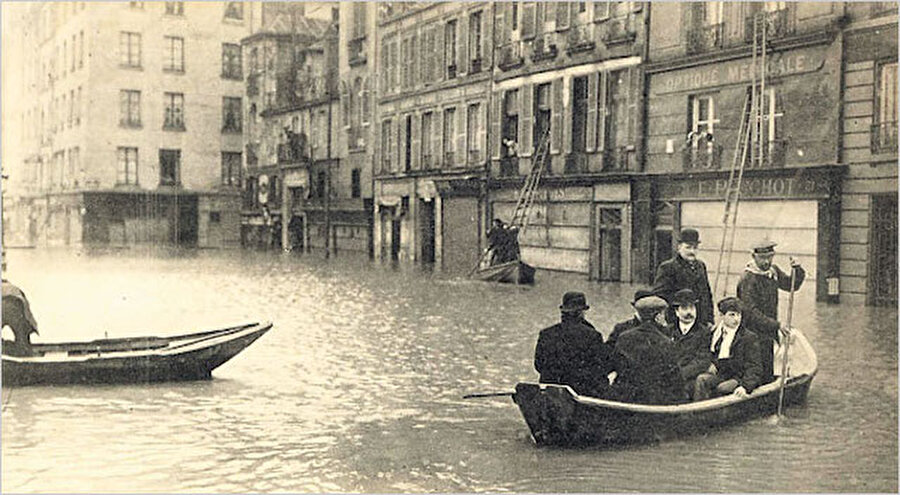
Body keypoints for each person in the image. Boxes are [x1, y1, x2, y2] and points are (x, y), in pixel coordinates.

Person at [737, 239, 805, 385]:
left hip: (768, 331)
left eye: (769, 257)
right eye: (762, 258)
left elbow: (791, 285)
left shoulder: (773, 271)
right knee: (755, 369)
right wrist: (777, 325)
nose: (766, 261)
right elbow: (750, 312)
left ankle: (766, 395)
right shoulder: (748, 279)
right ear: (753, 257)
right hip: (751, 333)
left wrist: (797, 269)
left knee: (767, 368)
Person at [534, 292, 613, 398]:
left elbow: (538, 365)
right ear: (581, 312)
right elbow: (598, 370)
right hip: (580, 393)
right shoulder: (592, 335)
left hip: (550, 392)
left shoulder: (546, 334)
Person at [611, 296, 686, 405]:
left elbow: (616, 365)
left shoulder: (623, 337)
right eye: (663, 314)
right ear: (658, 317)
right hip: (655, 399)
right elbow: (675, 379)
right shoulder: (666, 342)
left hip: (626, 397)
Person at [693, 297, 763, 401]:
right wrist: (712, 364)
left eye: (739, 315)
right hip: (721, 375)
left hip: (739, 378)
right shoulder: (715, 334)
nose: (736, 319)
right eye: (732, 315)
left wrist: (745, 386)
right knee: (701, 380)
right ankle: (697, 411)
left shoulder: (748, 337)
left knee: (722, 388)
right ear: (722, 315)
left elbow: (755, 368)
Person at [653, 228, 714, 326]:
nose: (692, 251)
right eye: (688, 247)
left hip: (699, 322)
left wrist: (710, 320)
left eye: (695, 248)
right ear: (679, 247)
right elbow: (660, 297)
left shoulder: (701, 266)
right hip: (676, 321)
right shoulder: (668, 267)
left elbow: (706, 295)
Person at [666, 289, 714, 397]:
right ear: (677, 312)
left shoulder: (704, 333)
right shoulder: (668, 331)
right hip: (669, 377)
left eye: (692, 308)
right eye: (684, 308)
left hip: (689, 378)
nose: (689, 312)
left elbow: (702, 361)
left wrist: (679, 375)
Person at [2, 279, 39, 357]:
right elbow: (28, 315)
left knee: (22, 341)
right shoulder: (14, 288)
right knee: (23, 342)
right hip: (17, 304)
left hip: (12, 304)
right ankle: (24, 351)